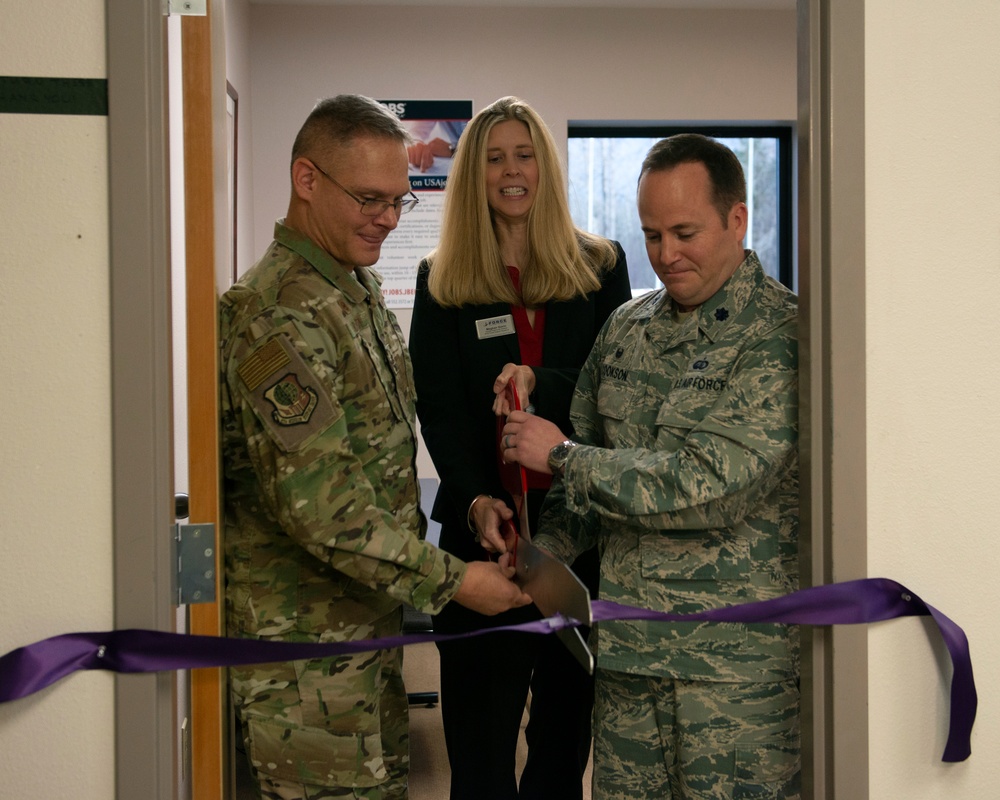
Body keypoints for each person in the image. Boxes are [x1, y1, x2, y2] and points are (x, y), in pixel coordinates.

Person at [219, 93, 531, 800]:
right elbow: (327, 513)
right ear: (306, 179)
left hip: (363, 635)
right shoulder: (277, 315)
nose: (388, 219)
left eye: (399, 201)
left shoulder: (350, 289)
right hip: (305, 670)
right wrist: (456, 582)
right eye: (369, 199)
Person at [501, 133, 800, 799]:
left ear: (737, 219)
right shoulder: (625, 328)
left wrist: (561, 456)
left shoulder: (781, 334)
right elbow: (583, 483)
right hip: (628, 662)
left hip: (733, 677)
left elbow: (710, 485)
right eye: (652, 234)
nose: (666, 254)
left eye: (685, 232)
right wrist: (542, 556)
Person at [408, 96, 632, 800]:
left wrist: (542, 380)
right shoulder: (441, 280)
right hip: (485, 550)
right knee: (479, 761)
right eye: (495, 158)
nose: (512, 172)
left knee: (562, 755)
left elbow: (614, 386)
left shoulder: (601, 267)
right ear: (473, 175)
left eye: (525, 155)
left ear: (545, 168)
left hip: (577, 548)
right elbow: (440, 410)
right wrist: (477, 502)